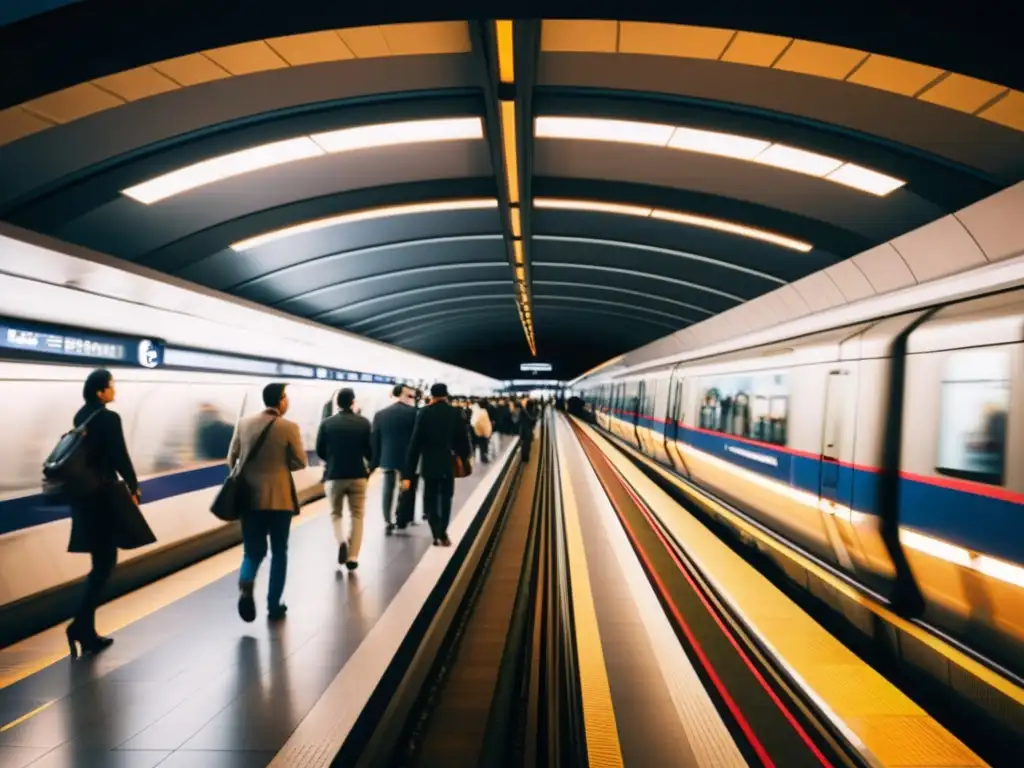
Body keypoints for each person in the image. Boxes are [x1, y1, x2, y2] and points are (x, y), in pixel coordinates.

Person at [66, 369, 150, 658]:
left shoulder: (82, 416)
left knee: (100, 562)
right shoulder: (108, 418)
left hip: (84, 499)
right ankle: (79, 626)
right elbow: (118, 455)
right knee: (105, 564)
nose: (114, 391)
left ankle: (85, 631)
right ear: (101, 392)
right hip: (102, 497)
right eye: (111, 387)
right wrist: (134, 485)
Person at [228, 383, 307, 622]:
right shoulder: (289, 427)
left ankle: (246, 579)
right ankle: (274, 605)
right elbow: (301, 461)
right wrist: (282, 467)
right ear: (281, 400)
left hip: (250, 499)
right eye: (287, 397)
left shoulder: (244, 423)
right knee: (279, 551)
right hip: (279, 499)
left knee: (252, 551)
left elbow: (232, 458)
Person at [403, 383, 472, 546]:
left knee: (431, 498)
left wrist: (408, 473)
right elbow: (463, 440)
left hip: (429, 463)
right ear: (446, 395)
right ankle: (443, 532)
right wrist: (465, 457)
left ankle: (435, 533)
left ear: (432, 396)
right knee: (446, 498)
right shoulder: (455, 413)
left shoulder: (423, 413)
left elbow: (415, 444)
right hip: (448, 462)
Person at [316, 388, 372, 569]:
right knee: (357, 515)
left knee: (335, 513)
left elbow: (319, 450)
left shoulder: (326, 424)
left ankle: (341, 541)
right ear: (353, 402)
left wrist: (332, 459)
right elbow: (370, 451)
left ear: (337, 404)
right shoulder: (364, 423)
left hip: (334, 475)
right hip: (358, 474)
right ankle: (353, 556)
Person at [370, 384, 418, 533]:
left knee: (387, 489)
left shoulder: (380, 414)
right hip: (409, 459)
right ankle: (403, 518)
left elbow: (375, 440)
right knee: (407, 489)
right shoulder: (415, 413)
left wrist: (374, 462)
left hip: (388, 458)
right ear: (404, 396)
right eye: (410, 396)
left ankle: (387, 520)